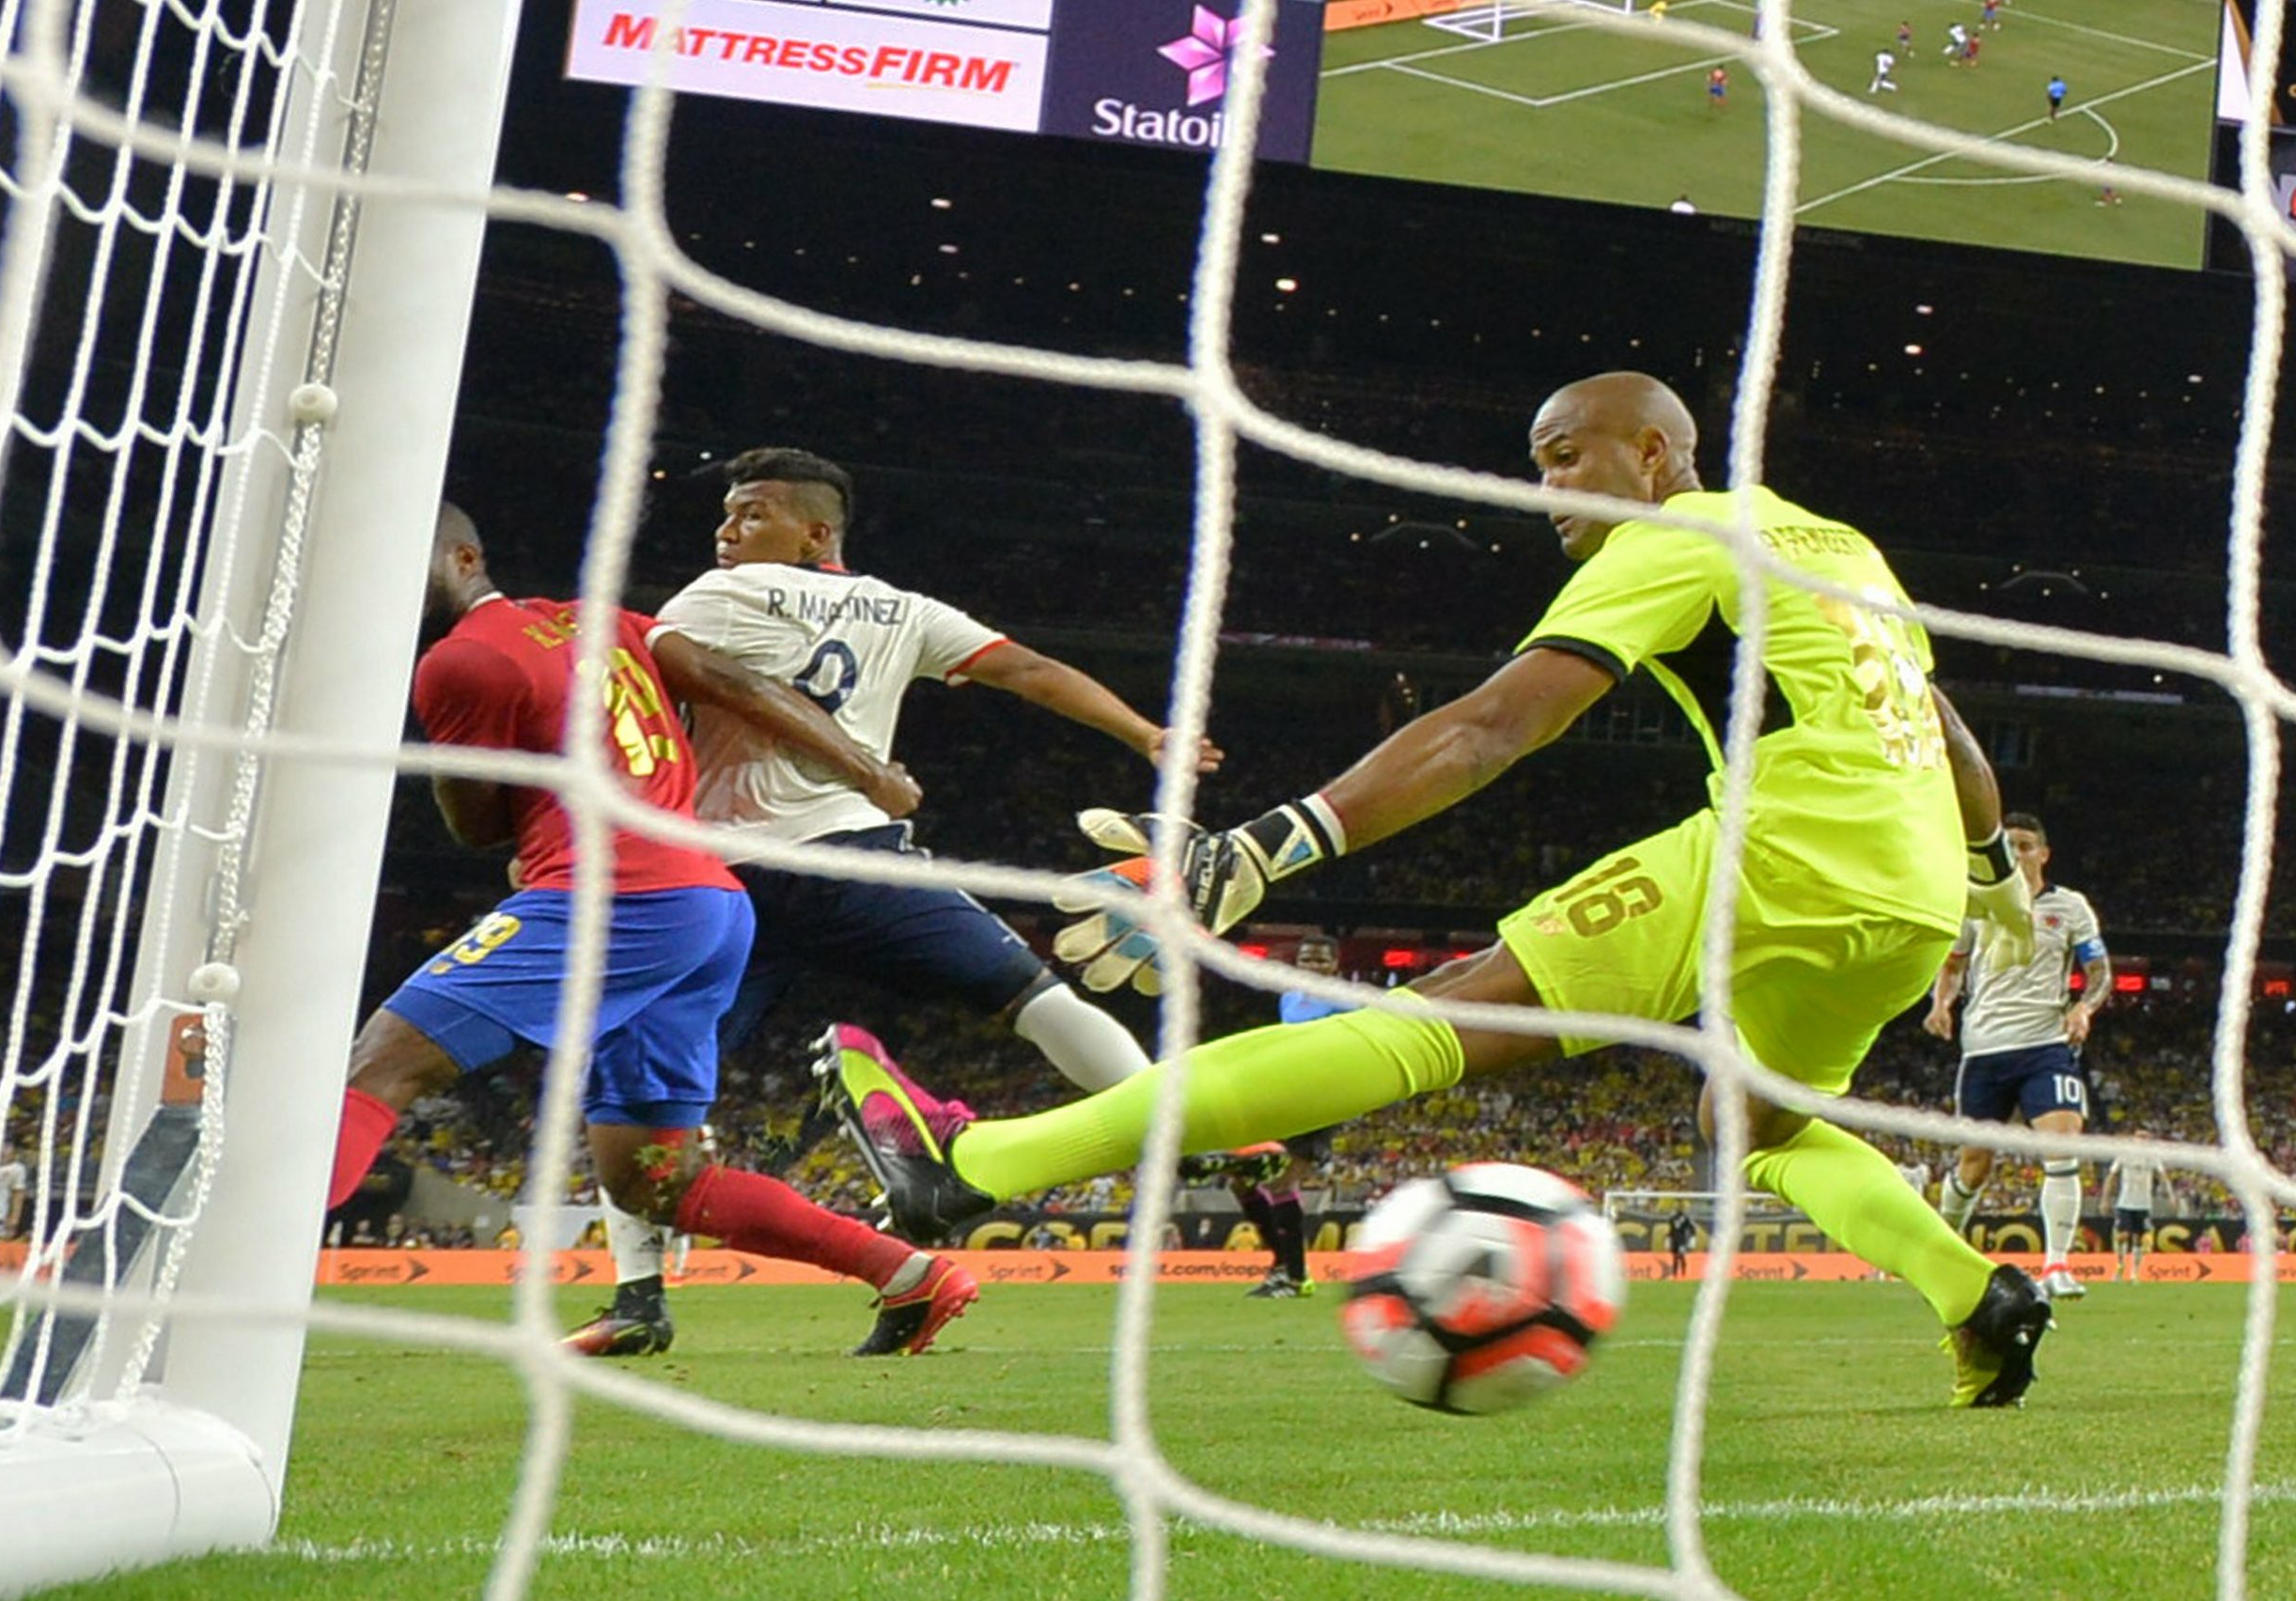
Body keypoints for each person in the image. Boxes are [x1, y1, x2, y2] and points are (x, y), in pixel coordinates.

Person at [823, 371, 2056, 1408]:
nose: (1549, 487)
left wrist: (1271, 843)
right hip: (1909, 894)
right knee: (1758, 1126)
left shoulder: (1679, 530)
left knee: (1447, 1015)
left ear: (1653, 451)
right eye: (1537, 463)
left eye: (1569, 457)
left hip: (1788, 843)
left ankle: (977, 1167)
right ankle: (1978, 1294)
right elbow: (1945, 735)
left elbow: (1493, 728)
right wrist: (1992, 875)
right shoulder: (1841, 548)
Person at [570, 447, 1217, 1357]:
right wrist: (1144, 732)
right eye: (724, 514)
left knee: (636, 1097)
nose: (725, 531)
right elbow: (1027, 670)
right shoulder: (907, 611)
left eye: (750, 513)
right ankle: (1188, 1130)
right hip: (855, 861)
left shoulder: (711, 600)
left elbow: (701, 684)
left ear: (815, 531)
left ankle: (639, 1300)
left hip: (725, 883)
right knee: (1033, 998)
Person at [321, 505, 977, 1360]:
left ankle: (214, 1287)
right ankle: (907, 1274)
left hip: (614, 897)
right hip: (707, 905)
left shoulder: (458, 664)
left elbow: (479, 826)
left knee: (382, 1062)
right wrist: (867, 770)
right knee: (653, 1177)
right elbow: (735, 685)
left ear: (465, 557)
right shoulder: (605, 621)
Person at [1925, 812, 2109, 1300]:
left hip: (2045, 1046)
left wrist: (2083, 1008)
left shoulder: (2068, 907)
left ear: (2043, 853)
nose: (2018, 854)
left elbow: (2100, 971)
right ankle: (1941, 1251)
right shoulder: (1976, 906)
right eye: (2009, 846)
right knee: (1974, 1164)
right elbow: (1952, 965)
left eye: (2027, 845)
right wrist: (1941, 1003)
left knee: (2062, 1143)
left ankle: (2056, 1266)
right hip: (1984, 1049)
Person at [1179, 933, 1352, 1298]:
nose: (1313, 967)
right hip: (1286, 1096)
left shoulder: (1348, 1001)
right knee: (1243, 1180)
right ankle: (1280, 1266)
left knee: (1279, 1182)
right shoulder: (1291, 997)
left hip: (1323, 1098)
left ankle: (1296, 1276)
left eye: (1321, 961)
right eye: (1307, 960)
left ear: (1335, 966)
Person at [2101, 1131, 2174, 1283]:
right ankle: (2120, 1266)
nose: (2142, 1140)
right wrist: (2105, 1199)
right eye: (2140, 1137)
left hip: (2144, 1204)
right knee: (2122, 1236)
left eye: (2146, 1138)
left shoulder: (2153, 1157)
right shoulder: (2124, 1155)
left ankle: (2135, 1272)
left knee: (2139, 1239)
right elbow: (2112, 1176)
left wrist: (2171, 1195)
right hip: (2125, 1202)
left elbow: (2162, 1176)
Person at [1666, 1207, 1696, 1279]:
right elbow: (1692, 1228)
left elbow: (1671, 1230)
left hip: (1676, 1240)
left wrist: (1668, 1239)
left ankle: (1678, 1274)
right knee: (1679, 1257)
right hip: (1680, 1240)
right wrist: (1692, 1238)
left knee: (1677, 1257)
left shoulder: (1673, 1219)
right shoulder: (1685, 1218)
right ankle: (1681, 1274)